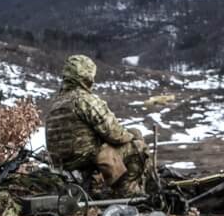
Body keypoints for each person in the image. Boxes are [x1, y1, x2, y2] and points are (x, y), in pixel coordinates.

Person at [45, 54, 153, 195]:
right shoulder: (84, 100)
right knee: (138, 147)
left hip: (62, 165)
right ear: (86, 77)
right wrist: (132, 136)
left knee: (132, 134)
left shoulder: (56, 103)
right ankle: (127, 191)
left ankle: (104, 186)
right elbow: (115, 134)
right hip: (85, 160)